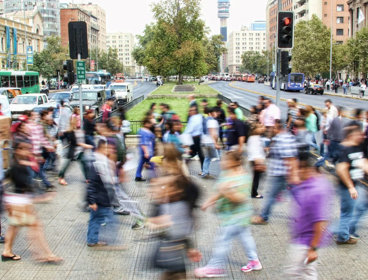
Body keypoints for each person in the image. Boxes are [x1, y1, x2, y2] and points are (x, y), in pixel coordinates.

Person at [194, 151, 262, 278]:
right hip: (233, 215)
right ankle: (254, 261)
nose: (222, 162)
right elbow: (220, 191)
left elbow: (241, 198)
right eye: (223, 160)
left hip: (237, 216)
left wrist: (228, 191)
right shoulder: (226, 174)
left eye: (226, 160)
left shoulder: (243, 177)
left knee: (223, 240)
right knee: (246, 237)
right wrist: (208, 202)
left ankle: (215, 267)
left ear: (235, 162)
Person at [2, 142, 62, 263]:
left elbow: (6, 181)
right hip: (20, 203)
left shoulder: (18, 165)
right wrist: (41, 198)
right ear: (18, 151)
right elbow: (23, 185)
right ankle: (45, 254)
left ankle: (7, 251)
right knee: (35, 227)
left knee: (14, 227)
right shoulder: (18, 166)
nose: (29, 152)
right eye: (25, 149)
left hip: (15, 202)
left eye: (29, 149)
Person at [284, 150, 333, 279]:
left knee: (293, 274)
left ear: (304, 169)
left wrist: (313, 249)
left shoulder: (316, 191)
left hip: (306, 242)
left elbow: (320, 223)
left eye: (295, 169)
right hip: (303, 239)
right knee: (307, 274)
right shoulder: (311, 183)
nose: (292, 172)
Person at [149, 175, 201, 280]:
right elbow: (151, 221)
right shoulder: (163, 205)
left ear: (176, 191)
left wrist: (190, 248)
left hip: (175, 256)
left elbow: (181, 231)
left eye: (164, 187)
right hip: (168, 255)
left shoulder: (182, 206)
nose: (159, 189)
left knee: (176, 275)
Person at [252, 120, 298, 224]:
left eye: (272, 128)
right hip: (282, 173)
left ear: (277, 128)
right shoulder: (286, 137)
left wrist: (292, 175)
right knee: (295, 195)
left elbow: (289, 158)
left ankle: (263, 217)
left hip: (280, 173)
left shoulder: (282, 139)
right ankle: (304, 216)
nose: (270, 129)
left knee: (270, 196)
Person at [335, 124, 368, 244]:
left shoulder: (357, 147)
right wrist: (350, 187)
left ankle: (344, 231)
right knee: (347, 213)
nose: (361, 136)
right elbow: (341, 169)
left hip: (356, 184)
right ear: (351, 135)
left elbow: (363, 162)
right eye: (358, 134)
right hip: (347, 187)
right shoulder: (345, 149)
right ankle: (342, 237)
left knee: (355, 209)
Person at [87, 139, 120, 247]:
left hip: (101, 197)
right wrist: (92, 201)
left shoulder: (103, 162)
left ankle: (92, 240)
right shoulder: (97, 163)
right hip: (100, 198)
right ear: (101, 149)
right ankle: (94, 240)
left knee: (95, 220)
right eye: (107, 148)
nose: (109, 150)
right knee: (107, 219)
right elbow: (91, 183)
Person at [58, 118, 93, 186]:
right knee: (66, 165)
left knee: (85, 164)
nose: (80, 122)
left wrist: (86, 145)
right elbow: (73, 142)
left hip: (80, 151)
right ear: (74, 122)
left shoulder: (81, 130)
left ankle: (88, 178)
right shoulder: (70, 131)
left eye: (80, 121)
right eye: (78, 121)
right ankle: (61, 177)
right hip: (72, 151)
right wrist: (84, 145)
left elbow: (83, 139)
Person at [184, 106, 205, 175]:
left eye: (191, 110)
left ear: (195, 111)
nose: (189, 112)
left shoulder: (194, 118)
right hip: (195, 138)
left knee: (195, 154)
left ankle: (203, 170)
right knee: (193, 154)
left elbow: (189, 129)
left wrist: (183, 137)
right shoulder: (199, 117)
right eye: (189, 110)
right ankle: (203, 169)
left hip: (195, 138)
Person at [247, 124, 266, 198]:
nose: (262, 128)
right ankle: (254, 193)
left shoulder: (256, 137)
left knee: (257, 177)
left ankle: (254, 191)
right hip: (256, 160)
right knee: (257, 177)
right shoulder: (254, 138)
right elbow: (253, 150)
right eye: (260, 127)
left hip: (257, 160)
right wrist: (257, 162)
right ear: (255, 129)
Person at [201, 108, 220, 179]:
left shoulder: (206, 119)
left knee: (208, 158)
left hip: (206, 141)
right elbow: (212, 133)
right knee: (217, 158)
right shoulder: (212, 121)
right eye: (215, 112)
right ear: (211, 113)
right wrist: (215, 143)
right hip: (210, 142)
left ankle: (205, 172)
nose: (216, 114)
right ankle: (205, 173)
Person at [135, 117, 155, 182]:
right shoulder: (144, 132)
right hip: (147, 150)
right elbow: (143, 143)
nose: (151, 125)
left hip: (147, 150)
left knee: (141, 163)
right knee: (152, 163)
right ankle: (153, 177)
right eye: (150, 123)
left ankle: (138, 176)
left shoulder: (144, 131)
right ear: (146, 123)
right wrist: (146, 152)